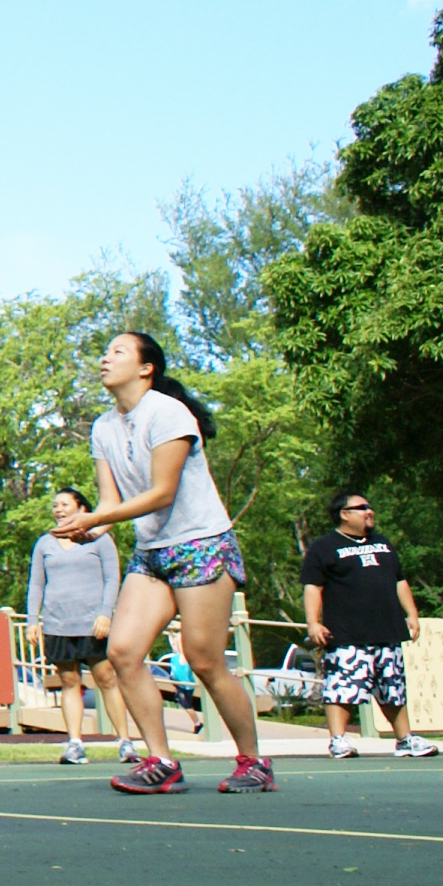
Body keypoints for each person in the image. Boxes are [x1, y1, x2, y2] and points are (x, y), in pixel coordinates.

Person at [54, 331, 274, 794]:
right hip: (153, 553)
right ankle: (161, 761)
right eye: (105, 350)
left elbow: (161, 493)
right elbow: (111, 500)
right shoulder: (102, 427)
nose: (104, 357)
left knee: (204, 658)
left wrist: (98, 516)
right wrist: (88, 529)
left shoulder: (168, 412)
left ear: (145, 367)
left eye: (117, 351)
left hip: (201, 543)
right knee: (123, 651)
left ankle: (255, 762)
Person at [301, 491, 438, 760]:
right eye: (362, 508)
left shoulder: (383, 543)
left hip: (386, 630)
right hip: (346, 633)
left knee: (393, 689)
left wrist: (411, 613)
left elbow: (399, 580)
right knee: (342, 687)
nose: (369, 511)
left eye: (370, 507)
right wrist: (313, 623)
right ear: (344, 514)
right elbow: (312, 587)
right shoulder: (325, 547)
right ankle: (339, 741)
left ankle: (405, 740)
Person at [26, 487, 135, 764]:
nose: (58, 510)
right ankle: (75, 743)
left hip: (93, 623)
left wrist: (105, 614)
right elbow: (36, 584)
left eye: (64, 504)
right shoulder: (44, 543)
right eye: (55, 506)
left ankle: (124, 741)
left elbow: (113, 579)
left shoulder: (99, 540)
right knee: (69, 681)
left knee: (106, 679)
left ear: (81, 508)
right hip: (57, 624)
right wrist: (32, 621)